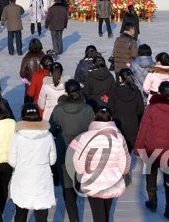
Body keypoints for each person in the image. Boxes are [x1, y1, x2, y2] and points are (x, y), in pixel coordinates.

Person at [66, 104, 131, 222]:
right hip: (112, 181)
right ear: (111, 119)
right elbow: (124, 161)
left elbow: (78, 160)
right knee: (106, 212)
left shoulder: (86, 137)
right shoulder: (119, 137)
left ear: (95, 118)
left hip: (92, 181)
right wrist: (122, 172)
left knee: (98, 216)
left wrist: (81, 172)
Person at [135, 80, 169, 217]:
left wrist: (138, 147)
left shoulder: (152, 108)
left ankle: (153, 200)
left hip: (152, 147)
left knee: (151, 175)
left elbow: (143, 129)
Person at [49, 80, 95, 222]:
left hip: (64, 151)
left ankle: (73, 217)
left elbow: (51, 129)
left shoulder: (58, 109)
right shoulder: (88, 109)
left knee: (67, 187)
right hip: (83, 151)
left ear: (66, 92)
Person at [8, 103, 57, 221]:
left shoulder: (18, 136)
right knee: (41, 214)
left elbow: (12, 160)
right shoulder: (48, 135)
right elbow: (52, 160)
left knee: (20, 212)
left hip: (23, 177)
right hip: (42, 178)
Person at [107, 69, 144, 152]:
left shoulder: (114, 91)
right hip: (133, 124)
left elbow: (110, 108)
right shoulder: (136, 92)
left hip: (118, 123)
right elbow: (140, 110)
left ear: (120, 78)